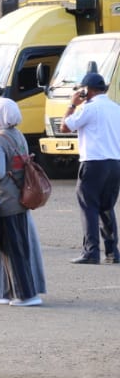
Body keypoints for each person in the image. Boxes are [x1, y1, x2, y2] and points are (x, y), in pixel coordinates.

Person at [0, 99, 45, 306]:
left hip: (4, 201)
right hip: (19, 199)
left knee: (12, 250)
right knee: (16, 247)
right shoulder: (18, 135)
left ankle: (25, 295)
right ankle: (5, 292)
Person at [61, 71, 120, 264]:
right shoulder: (115, 108)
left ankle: (91, 251)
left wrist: (72, 104)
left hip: (94, 162)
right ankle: (112, 252)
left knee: (89, 207)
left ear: (88, 90)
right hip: (115, 162)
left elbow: (64, 127)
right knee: (107, 207)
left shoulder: (89, 108)